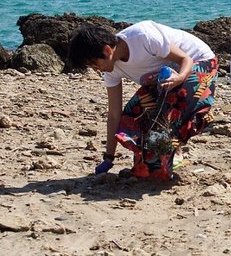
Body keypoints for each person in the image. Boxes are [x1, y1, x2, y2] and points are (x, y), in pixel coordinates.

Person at [68, 20, 219, 180]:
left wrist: (180, 77)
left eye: (94, 64)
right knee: (134, 111)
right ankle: (160, 159)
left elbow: (185, 59)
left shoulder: (143, 36)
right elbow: (114, 113)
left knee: (169, 107)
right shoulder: (111, 70)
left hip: (199, 62)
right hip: (166, 81)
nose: (95, 69)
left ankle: (174, 150)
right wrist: (108, 158)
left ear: (107, 50)